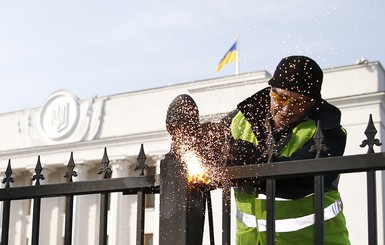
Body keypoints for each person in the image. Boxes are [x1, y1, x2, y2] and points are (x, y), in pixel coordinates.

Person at [223, 55, 350, 244]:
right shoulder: (241, 120)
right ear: (270, 91)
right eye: (281, 98)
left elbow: (300, 180)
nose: (286, 109)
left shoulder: (328, 131)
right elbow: (211, 145)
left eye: (299, 103)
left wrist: (252, 159)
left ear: (313, 104)